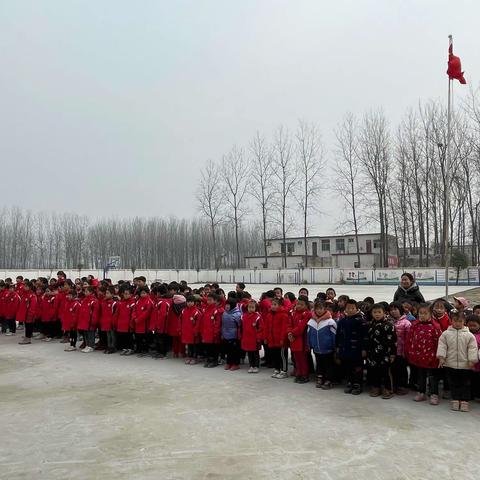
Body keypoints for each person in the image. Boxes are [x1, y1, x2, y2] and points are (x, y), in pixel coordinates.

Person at [437, 312, 479, 412]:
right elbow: (442, 345)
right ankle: (455, 399)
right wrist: (441, 357)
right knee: (453, 383)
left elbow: (473, 348)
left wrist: (472, 360)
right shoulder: (446, 334)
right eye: (455, 321)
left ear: (464, 322)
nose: (457, 323)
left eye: (460, 321)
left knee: (465, 384)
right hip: (450, 364)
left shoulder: (469, 335)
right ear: (451, 321)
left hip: (465, 365)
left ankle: (464, 401)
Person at [405, 304, 442, 405]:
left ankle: (434, 394)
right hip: (419, 357)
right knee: (420, 376)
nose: (422, 315)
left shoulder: (435, 326)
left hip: (432, 358)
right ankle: (421, 392)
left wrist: (439, 355)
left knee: (433, 377)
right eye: (420, 313)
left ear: (430, 314)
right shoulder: (415, 325)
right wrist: (409, 352)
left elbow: (439, 342)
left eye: (425, 313)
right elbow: (409, 340)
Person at [336, 299, 368, 395]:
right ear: (345, 309)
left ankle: (358, 384)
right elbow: (338, 335)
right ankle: (350, 382)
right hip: (345, 349)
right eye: (348, 308)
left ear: (357, 309)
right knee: (347, 366)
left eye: (352, 308)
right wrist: (337, 346)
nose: (350, 310)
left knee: (357, 367)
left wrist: (364, 348)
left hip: (357, 350)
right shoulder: (342, 321)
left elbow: (365, 337)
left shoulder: (361, 321)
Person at [366, 304, 397, 399]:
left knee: (385, 371)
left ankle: (387, 388)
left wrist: (392, 354)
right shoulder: (370, 324)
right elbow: (368, 339)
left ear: (384, 313)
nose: (377, 314)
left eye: (379, 312)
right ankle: (376, 387)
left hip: (385, 353)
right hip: (372, 353)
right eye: (375, 312)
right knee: (374, 370)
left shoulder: (389, 325)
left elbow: (393, 341)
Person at [307, 300, 337, 390]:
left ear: (325, 309)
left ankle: (329, 380)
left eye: (321, 308)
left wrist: (334, 346)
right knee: (319, 364)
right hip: (317, 349)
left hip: (328, 349)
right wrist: (309, 344)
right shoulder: (311, 321)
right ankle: (320, 377)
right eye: (317, 309)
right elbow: (308, 334)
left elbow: (334, 335)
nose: (319, 310)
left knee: (328, 365)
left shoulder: (330, 322)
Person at [287, 295, 311, 384]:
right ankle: (299, 373)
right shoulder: (293, 313)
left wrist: (292, 333)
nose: (299, 306)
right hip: (294, 340)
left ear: (306, 305)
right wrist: (289, 333)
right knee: (296, 358)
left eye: (301, 304)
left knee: (303, 359)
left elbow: (301, 328)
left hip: (302, 340)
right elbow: (289, 324)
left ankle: (304, 374)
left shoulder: (307, 314)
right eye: (298, 304)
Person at [263, 297, 289, 379]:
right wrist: (266, 337)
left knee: (282, 356)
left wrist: (282, 339)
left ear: (280, 305)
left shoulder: (284, 315)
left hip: (280, 340)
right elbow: (266, 327)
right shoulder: (269, 315)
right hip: (272, 340)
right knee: (275, 356)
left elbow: (284, 329)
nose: (273, 306)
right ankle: (277, 369)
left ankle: (284, 371)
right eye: (272, 304)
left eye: (275, 304)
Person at [389, 302, 411, 394]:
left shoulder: (406, 323)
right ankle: (393, 386)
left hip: (402, 351)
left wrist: (406, 351)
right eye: (391, 310)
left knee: (401, 369)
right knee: (393, 369)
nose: (393, 312)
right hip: (392, 351)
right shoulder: (389, 322)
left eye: (395, 309)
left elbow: (409, 339)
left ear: (400, 310)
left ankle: (402, 386)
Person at [201, 293, 223, 368]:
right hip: (206, 332)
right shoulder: (206, 309)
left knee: (214, 348)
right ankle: (209, 359)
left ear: (215, 301)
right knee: (208, 347)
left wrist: (216, 332)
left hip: (213, 333)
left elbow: (218, 323)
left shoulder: (216, 310)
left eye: (210, 300)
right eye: (208, 300)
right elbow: (203, 321)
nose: (209, 301)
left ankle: (214, 360)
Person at [241, 300, 262, 373]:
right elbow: (242, 328)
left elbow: (261, 328)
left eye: (253, 307)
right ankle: (251, 366)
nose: (251, 309)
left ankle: (256, 366)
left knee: (255, 353)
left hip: (255, 338)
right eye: (249, 307)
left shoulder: (258, 317)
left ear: (255, 308)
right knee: (249, 353)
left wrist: (259, 337)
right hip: (247, 338)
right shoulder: (244, 316)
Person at [77, 286, 100, 353]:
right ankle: (87, 345)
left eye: (87, 291)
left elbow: (95, 312)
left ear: (91, 292)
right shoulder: (84, 300)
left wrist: (93, 320)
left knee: (91, 334)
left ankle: (91, 346)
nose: (85, 293)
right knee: (86, 333)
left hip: (90, 320)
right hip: (84, 320)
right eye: (85, 291)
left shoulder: (94, 301)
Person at [221, 298, 242, 371]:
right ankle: (229, 362)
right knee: (228, 350)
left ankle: (236, 364)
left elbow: (240, 326)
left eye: (228, 305)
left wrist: (238, 335)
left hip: (234, 336)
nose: (226, 306)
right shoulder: (225, 313)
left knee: (234, 351)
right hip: (226, 334)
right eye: (226, 304)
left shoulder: (237, 314)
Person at [180, 295, 201, 364]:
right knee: (189, 345)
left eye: (191, 302)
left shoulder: (197, 312)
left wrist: (196, 331)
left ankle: (195, 357)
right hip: (186, 331)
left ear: (194, 302)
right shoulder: (183, 311)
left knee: (195, 345)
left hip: (193, 332)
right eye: (188, 302)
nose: (189, 303)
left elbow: (198, 323)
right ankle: (189, 356)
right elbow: (180, 321)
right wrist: (179, 329)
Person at [133, 287, 153, 355]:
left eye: (144, 293)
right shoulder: (138, 301)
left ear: (147, 293)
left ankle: (145, 349)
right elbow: (134, 310)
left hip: (145, 323)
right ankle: (139, 349)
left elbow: (147, 313)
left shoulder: (149, 301)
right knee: (138, 337)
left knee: (145, 337)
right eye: (141, 293)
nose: (142, 294)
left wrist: (139, 319)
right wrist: (135, 317)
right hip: (137, 323)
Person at [467, 315, 480, 400]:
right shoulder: (465, 333)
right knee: (469, 379)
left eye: (474, 325)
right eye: (470, 325)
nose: (472, 327)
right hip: (467, 361)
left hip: (478, 362)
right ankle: (470, 394)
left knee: (477, 379)